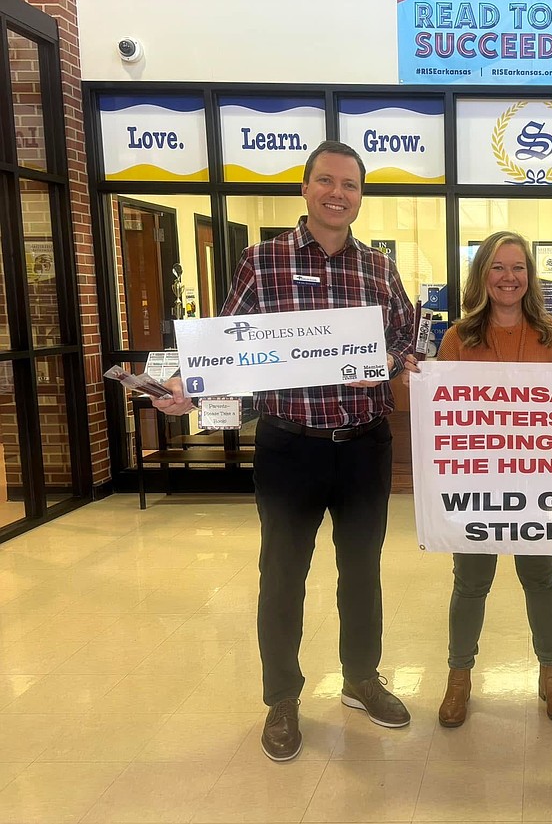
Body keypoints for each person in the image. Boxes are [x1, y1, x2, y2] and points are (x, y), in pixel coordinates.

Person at [153, 140, 416, 762]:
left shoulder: (379, 268)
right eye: (326, 181)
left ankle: (360, 679)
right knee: (283, 577)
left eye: (349, 185)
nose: (337, 194)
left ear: (359, 196)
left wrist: (387, 363)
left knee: (363, 573)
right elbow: (226, 345)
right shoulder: (261, 260)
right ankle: (283, 698)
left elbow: (407, 340)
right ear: (305, 188)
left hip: (363, 448)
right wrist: (189, 385)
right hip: (289, 447)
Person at [403, 231, 552, 728]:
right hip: (478, 483)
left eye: (518, 267)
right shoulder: (458, 337)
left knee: (541, 578)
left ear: (530, 276)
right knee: (471, 582)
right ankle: (459, 678)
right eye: (498, 267)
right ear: (482, 275)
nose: (509, 277)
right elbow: (441, 411)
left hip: (539, 483)